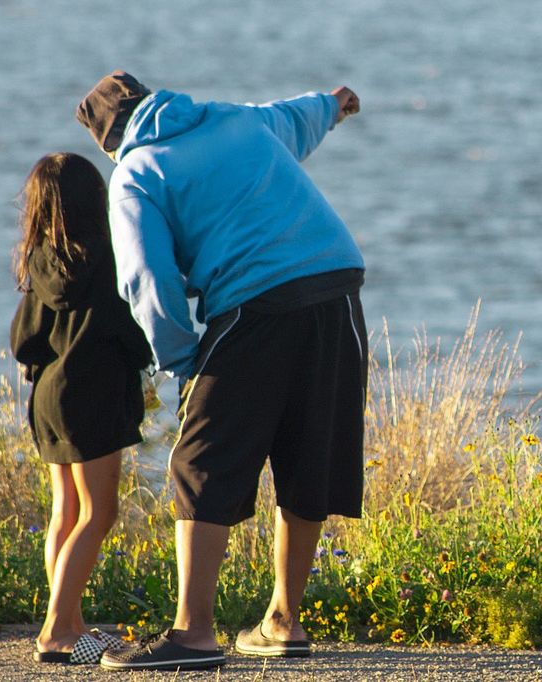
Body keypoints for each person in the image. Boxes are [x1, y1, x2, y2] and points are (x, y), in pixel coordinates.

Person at [75, 71, 366, 672]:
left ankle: (193, 634)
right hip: (337, 285)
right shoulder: (231, 118)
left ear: (108, 139)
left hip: (254, 304)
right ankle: (283, 621)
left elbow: (147, 283)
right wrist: (333, 105)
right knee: (310, 448)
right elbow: (293, 116)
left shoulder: (135, 174)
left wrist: (183, 360)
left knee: (200, 461)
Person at [10, 152, 153, 665]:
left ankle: (71, 623)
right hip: (94, 393)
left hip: (48, 395)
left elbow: (23, 340)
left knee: (64, 511)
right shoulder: (109, 256)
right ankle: (55, 631)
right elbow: (131, 330)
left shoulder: (41, 258)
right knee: (99, 512)